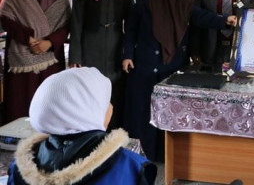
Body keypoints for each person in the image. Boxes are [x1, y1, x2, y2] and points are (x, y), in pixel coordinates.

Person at [122, 0, 236, 162]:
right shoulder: (143, 0)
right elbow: (130, 30)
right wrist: (127, 55)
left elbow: (203, 18)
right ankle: (143, 155)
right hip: (145, 67)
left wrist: (225, 20)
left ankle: (165, 156)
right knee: (144, 111)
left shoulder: (184, 1)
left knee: (169, 112)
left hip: (172, 67)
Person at [8, 67, 157, 184]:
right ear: (87, 111)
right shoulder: (131, 166)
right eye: (105, 101)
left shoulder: (20, 168)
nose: (111, 106)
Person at [0, 0, 70, 124]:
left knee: (48, 107)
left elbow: (67, 25)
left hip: (51, 60)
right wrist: (28, 38)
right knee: (21, 107)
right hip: (23, 60)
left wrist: (50, 42)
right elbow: (5, 19)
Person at [70, 0, 134, 130]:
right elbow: (76, 25)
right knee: (91, 91)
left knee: (114, 91)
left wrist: (128, 54)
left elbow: (130, 26)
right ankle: (91, 134)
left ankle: (113, 134)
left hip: (115, 47)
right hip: (90, 47)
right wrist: (75, 57)